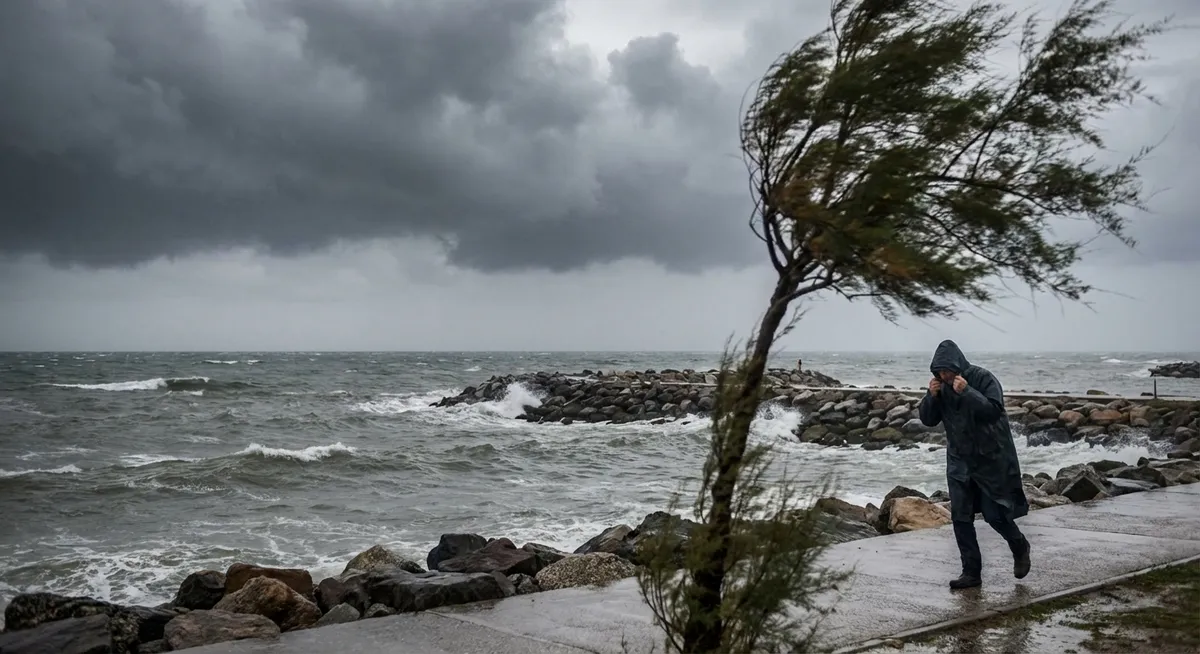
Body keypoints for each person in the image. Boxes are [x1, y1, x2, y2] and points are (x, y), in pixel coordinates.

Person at [918, 339, 1031, 589]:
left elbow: (994, 411)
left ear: (957, 365)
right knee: (961, 517)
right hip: (959, 461)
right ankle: (971, 573)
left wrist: (967, 392)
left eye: (947, 370)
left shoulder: (982, 378)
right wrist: (931, 395)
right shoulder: (941, 387)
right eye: (940, 372)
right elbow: (927, 419)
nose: (944, 375)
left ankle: (1019, 545)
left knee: (995, 515)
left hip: (989, 460)